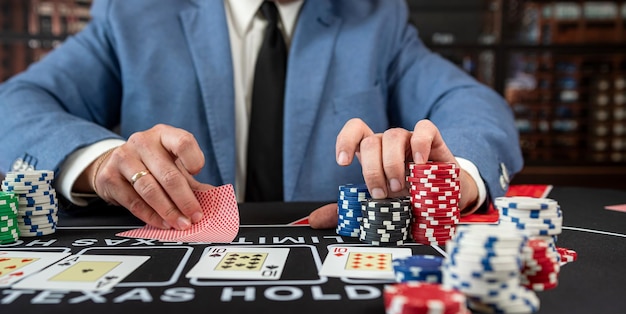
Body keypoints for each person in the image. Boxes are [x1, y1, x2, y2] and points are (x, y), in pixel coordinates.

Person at [0, 0, 523, 231]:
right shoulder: (135, 11)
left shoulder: (375, 17)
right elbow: (16, 106)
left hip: (334, 265)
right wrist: (101, 161)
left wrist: (451, 177)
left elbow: (476, 108)